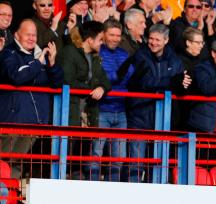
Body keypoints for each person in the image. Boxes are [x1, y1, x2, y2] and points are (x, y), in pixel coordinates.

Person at [0, 19, 64, 178]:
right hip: (12, 120)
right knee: (2, 162)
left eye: (34, 35)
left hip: (34, 122)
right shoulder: (9, 53)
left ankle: (11, 200)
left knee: (17, 164)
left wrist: (52, 62)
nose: (31, 38)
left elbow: (57, 84)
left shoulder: (40, 54)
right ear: (16, 35)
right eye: (27, 34)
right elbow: (17, 76)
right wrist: (38, 63)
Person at [126, 23, 190, 182]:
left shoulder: (175, 60)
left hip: (163, 120)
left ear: (166, 40)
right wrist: (173, 81)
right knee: (136, 162)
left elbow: (180, 81)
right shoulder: (140, 56)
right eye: (151, 39)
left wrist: (184, 84)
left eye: (158, 40)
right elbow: (144, 82)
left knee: (158, 165)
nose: (153, 42)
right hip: (140, 116)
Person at [88, 19, 134, 182]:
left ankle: (110, 191)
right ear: (104, 35)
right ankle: (91, 189)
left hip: (121, 110)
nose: (115, 38)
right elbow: (99, 77)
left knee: (119, 157)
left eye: (118, 35)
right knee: (96, 154)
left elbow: (130, 77)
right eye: (111, 35)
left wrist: (116, 77)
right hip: (102, 110)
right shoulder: (97, 52)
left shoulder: (124, 55)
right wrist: (116, 76)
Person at [58, 20, 111, 128]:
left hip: (89, 114)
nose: (102, 43)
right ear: (90, 40)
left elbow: (105, 80)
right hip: (70, 112)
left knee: (85, 144)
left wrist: (102, 88)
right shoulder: (69, 52)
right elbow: (67, 80)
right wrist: (92, 89)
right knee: (68, 144)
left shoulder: (95, 57)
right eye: (100, 39)